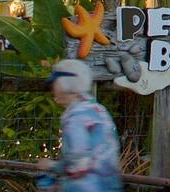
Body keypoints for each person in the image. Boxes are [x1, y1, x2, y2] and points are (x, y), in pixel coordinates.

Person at [37, 59, 121, 191]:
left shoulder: (75, 118)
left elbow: (79, 163)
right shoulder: (99, 110)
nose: (53, 89)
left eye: (55, 84)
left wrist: (51, 166)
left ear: (64, 85)